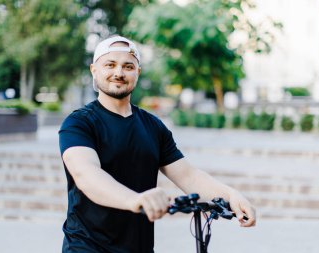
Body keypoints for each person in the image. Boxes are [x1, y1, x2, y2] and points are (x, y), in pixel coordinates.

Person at [59, 35, 256, 253]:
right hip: (87, 247)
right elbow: (86, 174)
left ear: (138, 72)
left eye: (128, 66)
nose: (119, 73)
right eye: (110, 65)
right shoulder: (79, 123)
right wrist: (134, 200)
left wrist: (231, 195)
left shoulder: (153, 126)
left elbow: (188, 176)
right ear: (94, 70)